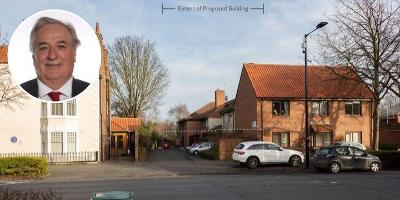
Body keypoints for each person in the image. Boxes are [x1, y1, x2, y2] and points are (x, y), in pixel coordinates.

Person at [20, 17, 89, 101]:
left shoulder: (88, 90)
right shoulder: (20, 92)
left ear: (74, 54)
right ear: (34, 57)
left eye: (61, 46)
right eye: (43, 47)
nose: (52, 56)